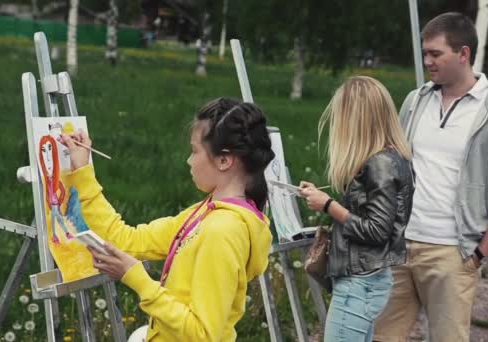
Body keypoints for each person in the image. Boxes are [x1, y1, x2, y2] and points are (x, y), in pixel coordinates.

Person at [60, 98, 275, 341]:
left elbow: (203, 335)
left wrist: (139, 280)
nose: (189, 161)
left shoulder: (222, 230)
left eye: (194, 151)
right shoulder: (207, 212)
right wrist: (82, 171)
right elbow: (128, 239)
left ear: (224, 160)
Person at [373, 12, 488, 342]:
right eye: (425, 53)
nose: (427, 61)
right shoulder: (415, 102)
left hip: (452, 253)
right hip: (400, 246)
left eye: (435, 53)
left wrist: (480, 252)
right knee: (380, 337)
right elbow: (396, 165)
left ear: (463, 54)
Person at [300, 76, 415, 342]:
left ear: (356, 118)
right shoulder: (389, 157)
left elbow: (376, 230)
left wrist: (328, 205)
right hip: (365, 280)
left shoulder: (380, 163)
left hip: (360, 283)